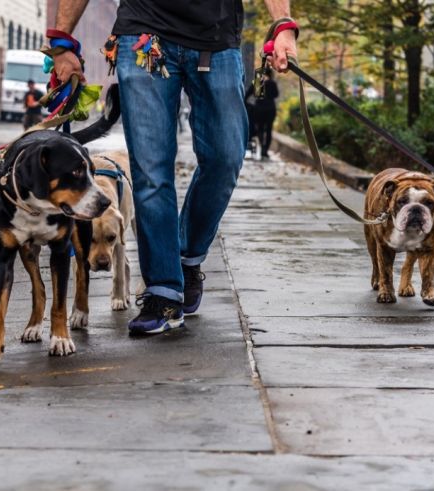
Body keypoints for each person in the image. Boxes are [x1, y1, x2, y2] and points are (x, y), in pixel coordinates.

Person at [52, 0, 298, 334]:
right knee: (151, 171)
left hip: (216, 39)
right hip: (144, 36)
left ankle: (188, 257)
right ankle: (163, 292)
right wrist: (62, 41)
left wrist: (282, 25)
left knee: (225, 157)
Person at [246, 67, 279, 159]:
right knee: (269, 129)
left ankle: (262, 146)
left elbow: (247, 95)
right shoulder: (272, 83)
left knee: (260, 129)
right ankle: (265, 150)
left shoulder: (258, 82)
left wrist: (247, 104)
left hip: (259, 109)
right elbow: (276, 94)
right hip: (270, 109)